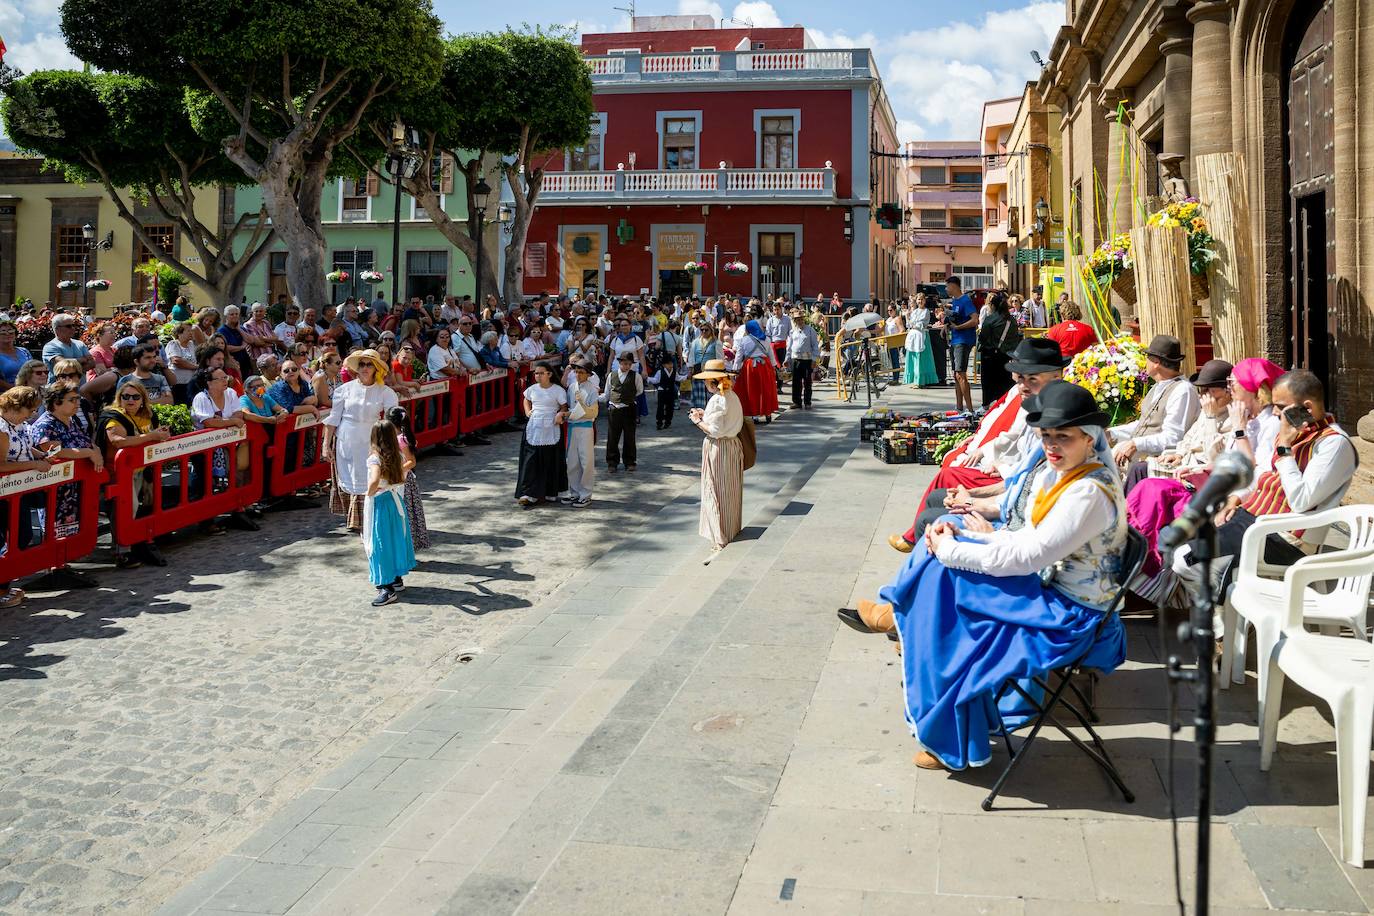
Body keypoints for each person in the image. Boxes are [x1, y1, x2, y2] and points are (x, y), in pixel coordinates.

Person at [856, 381, 1128, 772]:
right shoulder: (1066, 474)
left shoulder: (1087, 492)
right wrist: (967, 537)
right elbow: (1027, 540)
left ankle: (908, 630)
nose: (1052, 445)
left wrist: (956, 548)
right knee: (946, 542)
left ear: (1089, 438)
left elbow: (1029, 554)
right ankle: (906, 624)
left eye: (1063, 437)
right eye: (1046, 436)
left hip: (1070, 616)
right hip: (1048, 588)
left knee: (946, 585)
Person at [1172, 369, 1357, 595]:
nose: (1275, 413)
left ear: (1307, 408)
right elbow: (1263, 473)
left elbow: (1300, 501)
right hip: (1253, 519)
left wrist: (1285, 451)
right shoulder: (1292, 432)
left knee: (1185, 560)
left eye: (1280, 406)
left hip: (1282, 538)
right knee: (1179, 539)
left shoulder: (1334, 444)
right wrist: (1235, 499)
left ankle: (1232, 613)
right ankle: (1231, 610)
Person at [95, 379, 171, 567]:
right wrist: (152, 436)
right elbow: (118, 441)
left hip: (141, 470)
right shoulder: (113, 416)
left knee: (144, 505)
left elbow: (150, 435)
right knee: (125, 509)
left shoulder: (147, 415)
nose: (130, 400)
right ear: (119, 398)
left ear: (143, 399)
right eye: (125, 396)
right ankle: (122, 551)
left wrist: (160, 434)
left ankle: (140, 541)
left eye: (135, 397)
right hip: (118, 472)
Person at [0, 386, 64, 606]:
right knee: (6, 539)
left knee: (22, 535)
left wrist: (43, 456)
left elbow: (27, 447)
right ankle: (1, 588)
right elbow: (2, 464)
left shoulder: (20, 424)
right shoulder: (1, 429)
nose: (32, 414)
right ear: (17, 407)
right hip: (4, 493)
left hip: (20, 491)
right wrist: (34, 464)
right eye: (31, 409)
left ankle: (5, 583)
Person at [323, 349, 400, 531]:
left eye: (369, 364)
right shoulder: (344, 390)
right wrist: (325, 445)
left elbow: (393, 421)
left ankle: (370, 517)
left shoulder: (386, 392)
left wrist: (396, 445)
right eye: (362, 364)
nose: (365, 368)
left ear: (376, 368)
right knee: (350, 476)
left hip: (371, 439)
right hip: (346, 438)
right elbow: (333, 419)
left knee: (370, 476)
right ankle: (354, 520)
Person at [1109, 334, 1200, 473]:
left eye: (1147, 358)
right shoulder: (1158, 386)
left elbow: (1173, 438)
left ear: (1156, 362)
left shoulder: (1183, 390)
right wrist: (1112, 433)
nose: (1145, 362)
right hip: (1140, 457)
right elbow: (1143, 424)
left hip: (1159, 462)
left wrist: (1135, 444)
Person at [690, 359, 745, 562]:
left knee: (714, 490)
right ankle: (729, 532)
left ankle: (719, 539)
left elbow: (715, 430)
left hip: (719, 448)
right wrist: (705, 416)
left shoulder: (717, 399)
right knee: (730, 491)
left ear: (712, 382)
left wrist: (697, 420)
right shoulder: (731, 396)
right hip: (733, 446)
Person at [362, 419, 417, 607]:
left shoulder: (375, 457)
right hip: (395, 502)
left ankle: (386, 587)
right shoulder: (398, 455)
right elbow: (401, 476)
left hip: (381, 503)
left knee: (379, 543)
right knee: (395, 538)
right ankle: (396, 578)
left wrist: (370, 492)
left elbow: (374, 480)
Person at [515, 363, 569, 507]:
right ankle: (528, 493)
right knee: (530, 460)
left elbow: (564, 407)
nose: (537, 375)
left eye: (541, 373)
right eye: (536, 373)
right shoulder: (532, 389)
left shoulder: (558, 390)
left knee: (551, 460)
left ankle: (549, 491)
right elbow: (526, 399)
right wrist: (527, 411)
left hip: (551, 426)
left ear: (549, 374)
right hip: (535, 426)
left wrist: (560, 414)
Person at [1227, 357, 1285, 475]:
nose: (1229, 388)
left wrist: (1239, 431)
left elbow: (1254, 470)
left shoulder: (1272, 422)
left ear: (1250, 386)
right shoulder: (1244, 415)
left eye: (1232, 382)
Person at [386, 406, 430, 552]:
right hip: (399, 479)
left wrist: (396, 471)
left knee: (405, 513)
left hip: (403, 480)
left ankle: (406, 547)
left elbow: (411, 461)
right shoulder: (397, 438)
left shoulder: (401, 439)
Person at [560, 358, 599, 508]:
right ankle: (574, 492)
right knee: (572, 462)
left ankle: (586, 493)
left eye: (581, 372)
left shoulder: (592, 390)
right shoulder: (571, 387)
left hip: (585, 427)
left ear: (588, 374)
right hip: (572, 427)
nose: (578, 375)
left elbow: (593, 411)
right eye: (576, 372)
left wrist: (575, 412)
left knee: (586, 461)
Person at [977, 291, 1022, 407]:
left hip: (990, 355)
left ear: (992, 306)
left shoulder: (990, 319)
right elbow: (1015, 338)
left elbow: (982, 338)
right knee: (1006, 383)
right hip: (1007, 355)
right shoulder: (1011, 320)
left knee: (989, 382)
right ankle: (1005, 404)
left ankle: (987, 404)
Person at [731, 319, 779, 421]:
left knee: (752, 389)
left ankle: (755, 415)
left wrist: (735, 369)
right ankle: (768, 413)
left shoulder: (744, 340)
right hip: (765, 366)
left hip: (750, 367)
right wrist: (774, 366)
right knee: (765, 389)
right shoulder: (766, 339)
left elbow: (738, 356)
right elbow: (771, 354)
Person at [603, 351, 643, 474]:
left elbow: (639, 391)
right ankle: (612, 462)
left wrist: (628, 397)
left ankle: (630, 462)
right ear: (619, 362)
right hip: (614, 409)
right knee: (612, 437)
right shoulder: (611, 376)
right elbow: (607, 393)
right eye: (624, 363)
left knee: (629, 436)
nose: (626, 366)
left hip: (629, 408)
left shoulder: (636, 376)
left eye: (629, 364)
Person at [945, 278, 977, 412]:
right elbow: (956, 318)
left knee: (961, 375)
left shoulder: (965, 300)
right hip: (955, 340)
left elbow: (975, 319)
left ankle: (970, 410)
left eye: (947, 286)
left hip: (963, 341)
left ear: (954, 286)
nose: (946, 289)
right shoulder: (955, 301)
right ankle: (959, 408)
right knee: (956, 375)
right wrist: (946, 326)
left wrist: (959, 327)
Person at [785, 308, 821, 409]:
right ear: (795, 321)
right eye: (797, 319)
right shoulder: (792, 332)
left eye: (801, 319)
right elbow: (789, 347)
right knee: (796, 382)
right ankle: (797, 402)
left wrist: (814, 359)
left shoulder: (810, 330)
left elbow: (815, 346)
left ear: (804, 319)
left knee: (807, 381)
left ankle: (807, 402)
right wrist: (786, 359)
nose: (799, 321)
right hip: (795, 360)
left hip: (807, 360)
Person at [902, 295, 938, 388]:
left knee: (920, 359)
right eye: (918, 299)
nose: (920, 301)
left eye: (922, 299)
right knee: (913, 358)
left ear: (924, 301)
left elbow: (921, 324)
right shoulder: (914, 311)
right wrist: (907, 317)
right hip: (913, 336)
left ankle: (920, 381)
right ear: (916, 301)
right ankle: (914, 380)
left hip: (921, 336)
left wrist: (912, 324)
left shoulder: (926, 311)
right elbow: (909, 324)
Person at [688, 324, 720, 410]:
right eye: (702, 330)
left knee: (710, 392)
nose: (704, 332)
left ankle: (710, 413)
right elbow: (691, 357)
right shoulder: (695, 342)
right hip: (698, 371)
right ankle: (699, 414)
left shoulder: (716, 342)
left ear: (711, 330)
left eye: (706, 330)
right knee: (698, 393)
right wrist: (690, 369)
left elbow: (720, 358)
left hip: (711, 372)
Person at [0, 319, 31, 390]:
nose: (7, 334)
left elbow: (33, 370)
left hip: (29, 393)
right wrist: (17, 390)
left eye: (11, 332)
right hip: (6, 395)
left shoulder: (24, 351)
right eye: (3, 333)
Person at [883, 303, 905, 382]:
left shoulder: (897, 318)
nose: (889, 312)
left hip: (894, 343)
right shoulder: (888, 319)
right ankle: (894, 377)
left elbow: (902, 330)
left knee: (895, 360)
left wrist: (895, 338)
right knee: (891, 361)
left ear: (895, 310)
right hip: (888, 343)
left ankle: (896, 379)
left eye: (891, 310)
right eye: (888, 310)